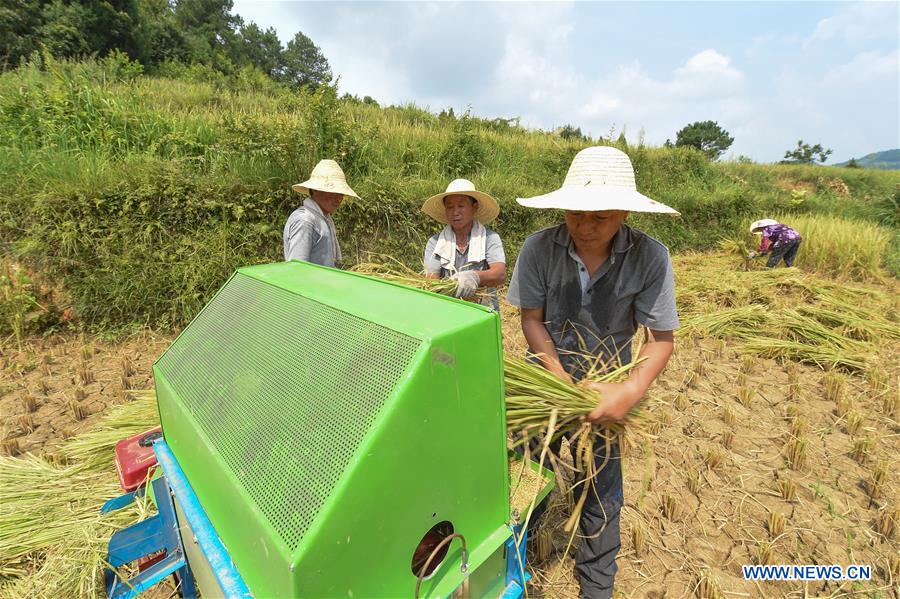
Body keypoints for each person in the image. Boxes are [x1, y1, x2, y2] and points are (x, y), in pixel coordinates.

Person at [507, 146, 680, 598]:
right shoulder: (539, 248)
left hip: (606, 392)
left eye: (600, 217)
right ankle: (516, 561)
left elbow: (660, 340)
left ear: (624, 211)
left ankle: (597, 584)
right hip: (544, 383)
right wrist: (556, 375)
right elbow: (531, 318)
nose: (585, 226)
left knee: (602, 492)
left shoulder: (650, 257)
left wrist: (629, 390)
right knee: (526, 477)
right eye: (576, 213)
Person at [421, 179, 506, 309]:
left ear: (474, 207)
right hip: (448, 310)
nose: (455, 212)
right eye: (450, 207)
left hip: (483, 312)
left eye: (461, 206)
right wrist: (451, 286)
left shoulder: (489, 238)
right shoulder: (436, 243)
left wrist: (474, 277)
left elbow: (499, 274)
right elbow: (432, 281)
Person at [283, 159, 358, 267]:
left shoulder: (324, 219)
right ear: (316, 190)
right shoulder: (305, 220)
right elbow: (297, 268)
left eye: (340, 193)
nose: (339, 198)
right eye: (333, 192)